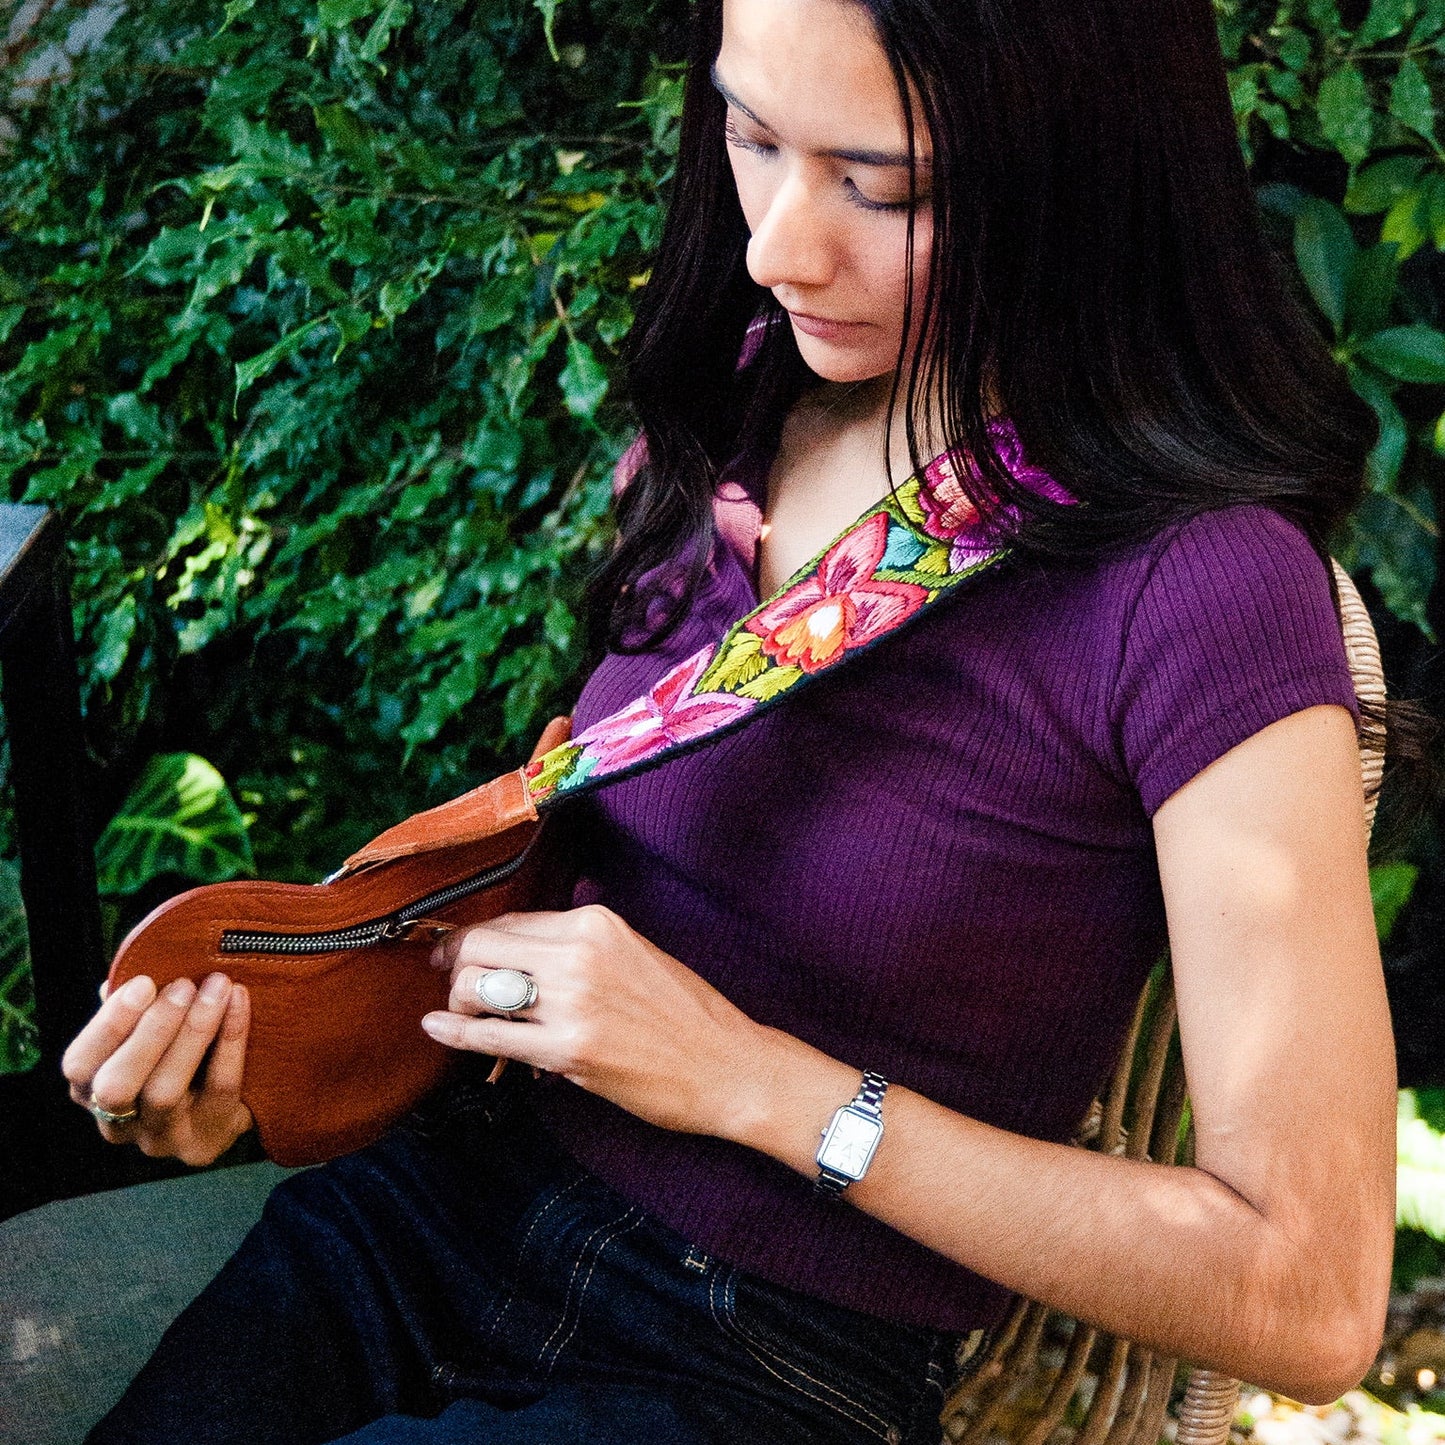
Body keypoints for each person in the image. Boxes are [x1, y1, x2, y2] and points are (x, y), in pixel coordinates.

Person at [63, 0, 1398, 1440]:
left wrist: (750, 1082)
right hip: (431, 1215)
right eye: (751, 136)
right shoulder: (749, 399)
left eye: (881, 187)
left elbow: (1308, 1295)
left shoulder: (1204, 591)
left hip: (764, 1361)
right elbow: (582, 921)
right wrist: (280, 1072)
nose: (775, 247)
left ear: (1088, 173)